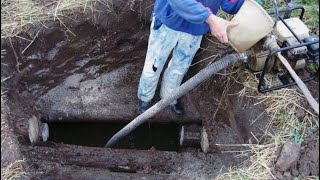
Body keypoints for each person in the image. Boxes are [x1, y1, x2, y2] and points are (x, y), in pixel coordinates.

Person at [137, 0, 244, 115]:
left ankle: (169, 97)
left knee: (179, 67)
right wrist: (210, 19)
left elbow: (229, 5)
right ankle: (145, 97)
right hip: (169, 21)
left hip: (196, 28)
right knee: (154, 64)